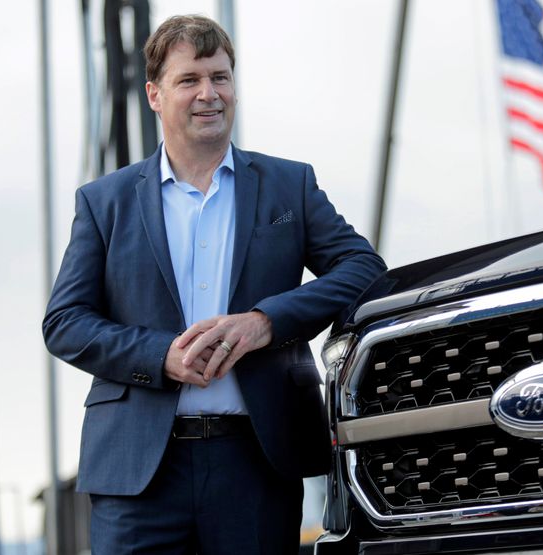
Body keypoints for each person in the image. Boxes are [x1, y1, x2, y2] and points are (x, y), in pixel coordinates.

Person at [43, 14, 386, 554]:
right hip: (137, 476)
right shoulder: (103, 202)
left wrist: (265, 322)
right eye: (190, 80)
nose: (210, 93)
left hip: (255, 463)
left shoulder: (288, 185)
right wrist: (162, 357)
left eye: (221, 77)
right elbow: (64, 323)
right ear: (155, 95)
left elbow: (364, 269)